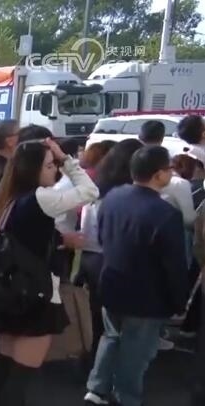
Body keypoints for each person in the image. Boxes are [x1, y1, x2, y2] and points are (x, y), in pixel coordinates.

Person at [0, 128, 99, 405]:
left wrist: (58, 239)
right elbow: (90, 190)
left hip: (7, 290)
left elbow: (23, 236)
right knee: (20, 375)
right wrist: (66, 159)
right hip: (33, 292)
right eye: (49, 166)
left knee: (4, 369)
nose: (55, 171)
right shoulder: (41, 197)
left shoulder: (8, 196)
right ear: (32, 169)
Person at [84, 146, 190, 406]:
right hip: (147, 296)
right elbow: (174, 265)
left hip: (111, 284)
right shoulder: (166, 214)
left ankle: (96, 390)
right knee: (136, 352)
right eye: (169, 169)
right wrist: (179, 300)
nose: (171, 174)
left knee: (111, 338)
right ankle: (126, 398)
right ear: (158, 174)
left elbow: (103, 238)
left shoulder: (112, 197)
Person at [79, 139, 145, 368]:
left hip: (90, 257)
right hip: (114, 260)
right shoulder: (128, 198)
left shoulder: (96, 188)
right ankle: (110, 369)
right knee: (118, 322)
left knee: (97, 317)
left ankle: (93, 363)